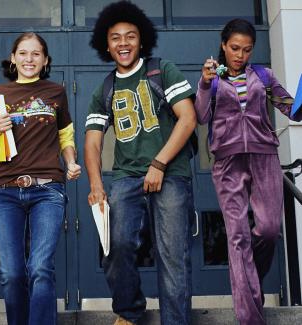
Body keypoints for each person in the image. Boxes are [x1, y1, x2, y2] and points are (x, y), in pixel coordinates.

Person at [84, 2, 197, 324]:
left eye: (130, 36)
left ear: (141, 40)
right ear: (106, 45)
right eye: (116, 38)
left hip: (170, 173)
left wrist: (159, 164)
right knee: (115, 245)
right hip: (126, 176)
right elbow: (92, 141)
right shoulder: (105, 88)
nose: (123, 43)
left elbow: (187, 119)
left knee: (172, 257)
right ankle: (130, 310)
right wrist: (96, 184)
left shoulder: (163, 70)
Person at [194, 18, 302, 325]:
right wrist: (203, 83)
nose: (240, 55)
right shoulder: (214, 81)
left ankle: (248, 277)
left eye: (247, 50)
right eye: (235, 48)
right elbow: (201, 116)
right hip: (227, 162)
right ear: (223, 45)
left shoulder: (264, 76)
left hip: (264, 155)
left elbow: (290, 108)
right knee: (237, 237)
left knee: (268, 229)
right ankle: (250, 319)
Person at [0, 32, 81, 325]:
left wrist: (71, 162)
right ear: (13, 58)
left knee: (41, 268)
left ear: (45, 60)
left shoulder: (56, 92)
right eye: (23, 53)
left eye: (36, 54)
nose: (29, 59)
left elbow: (65, 135)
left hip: (47, 189)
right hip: (5, 192)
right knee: (12, 274)